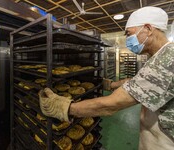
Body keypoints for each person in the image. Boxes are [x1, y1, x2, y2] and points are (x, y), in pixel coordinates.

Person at [39, 6, 174, 150]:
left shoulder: (167, 59)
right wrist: (112, 85)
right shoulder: (159, 56)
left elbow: (111, 105)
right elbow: (141, 82)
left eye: (129, 33)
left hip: (165, 140)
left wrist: (64, 108)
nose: (128, 39)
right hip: (154, 133)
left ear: (148, 28)